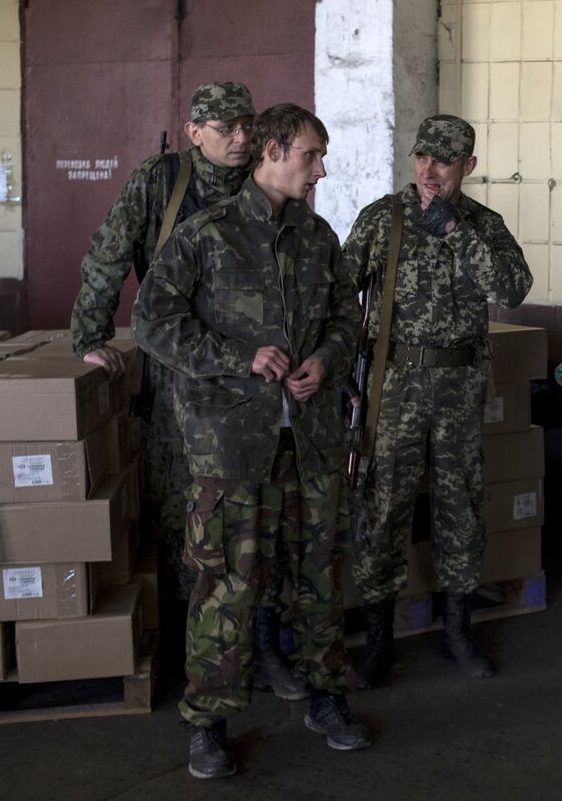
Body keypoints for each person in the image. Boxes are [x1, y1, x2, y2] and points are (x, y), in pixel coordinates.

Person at [133, 103, 371, 779]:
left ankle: (326, 698)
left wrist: (325, 359)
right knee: (226, 586)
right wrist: (238, 356)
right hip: (233, 448)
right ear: (272, 151)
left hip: (312, 442)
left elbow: (345, 319)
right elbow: (152, 321)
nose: (320, 170)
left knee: (320, 576)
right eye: (310, 155)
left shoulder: (317, 237)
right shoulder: (206, 235)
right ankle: (208, 723)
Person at [68, 82, 306, 701]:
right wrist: (90, 336)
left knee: (262, 514)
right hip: (182, 377)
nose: (240, 138)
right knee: (186, 515)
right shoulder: (162, 182)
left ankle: (261, 646)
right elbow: (108, 254)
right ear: (194, 131)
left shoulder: (265, 181)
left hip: (258, 382)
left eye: (247, 125)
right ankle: (192, 652)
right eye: (225, 128)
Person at [342, 114, 532, 687]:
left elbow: (511, 289)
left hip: (460, 389)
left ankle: (457, 631)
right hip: (394, 386)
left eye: (443, 162)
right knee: (385, 507)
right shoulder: (384, 218)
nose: (429, 171)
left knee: (461, 507)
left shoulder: (482, 225)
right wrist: (341, 373)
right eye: (422, 157)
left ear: (467, 166)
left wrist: (455, 230)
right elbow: (338, 296)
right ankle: (379, 639)